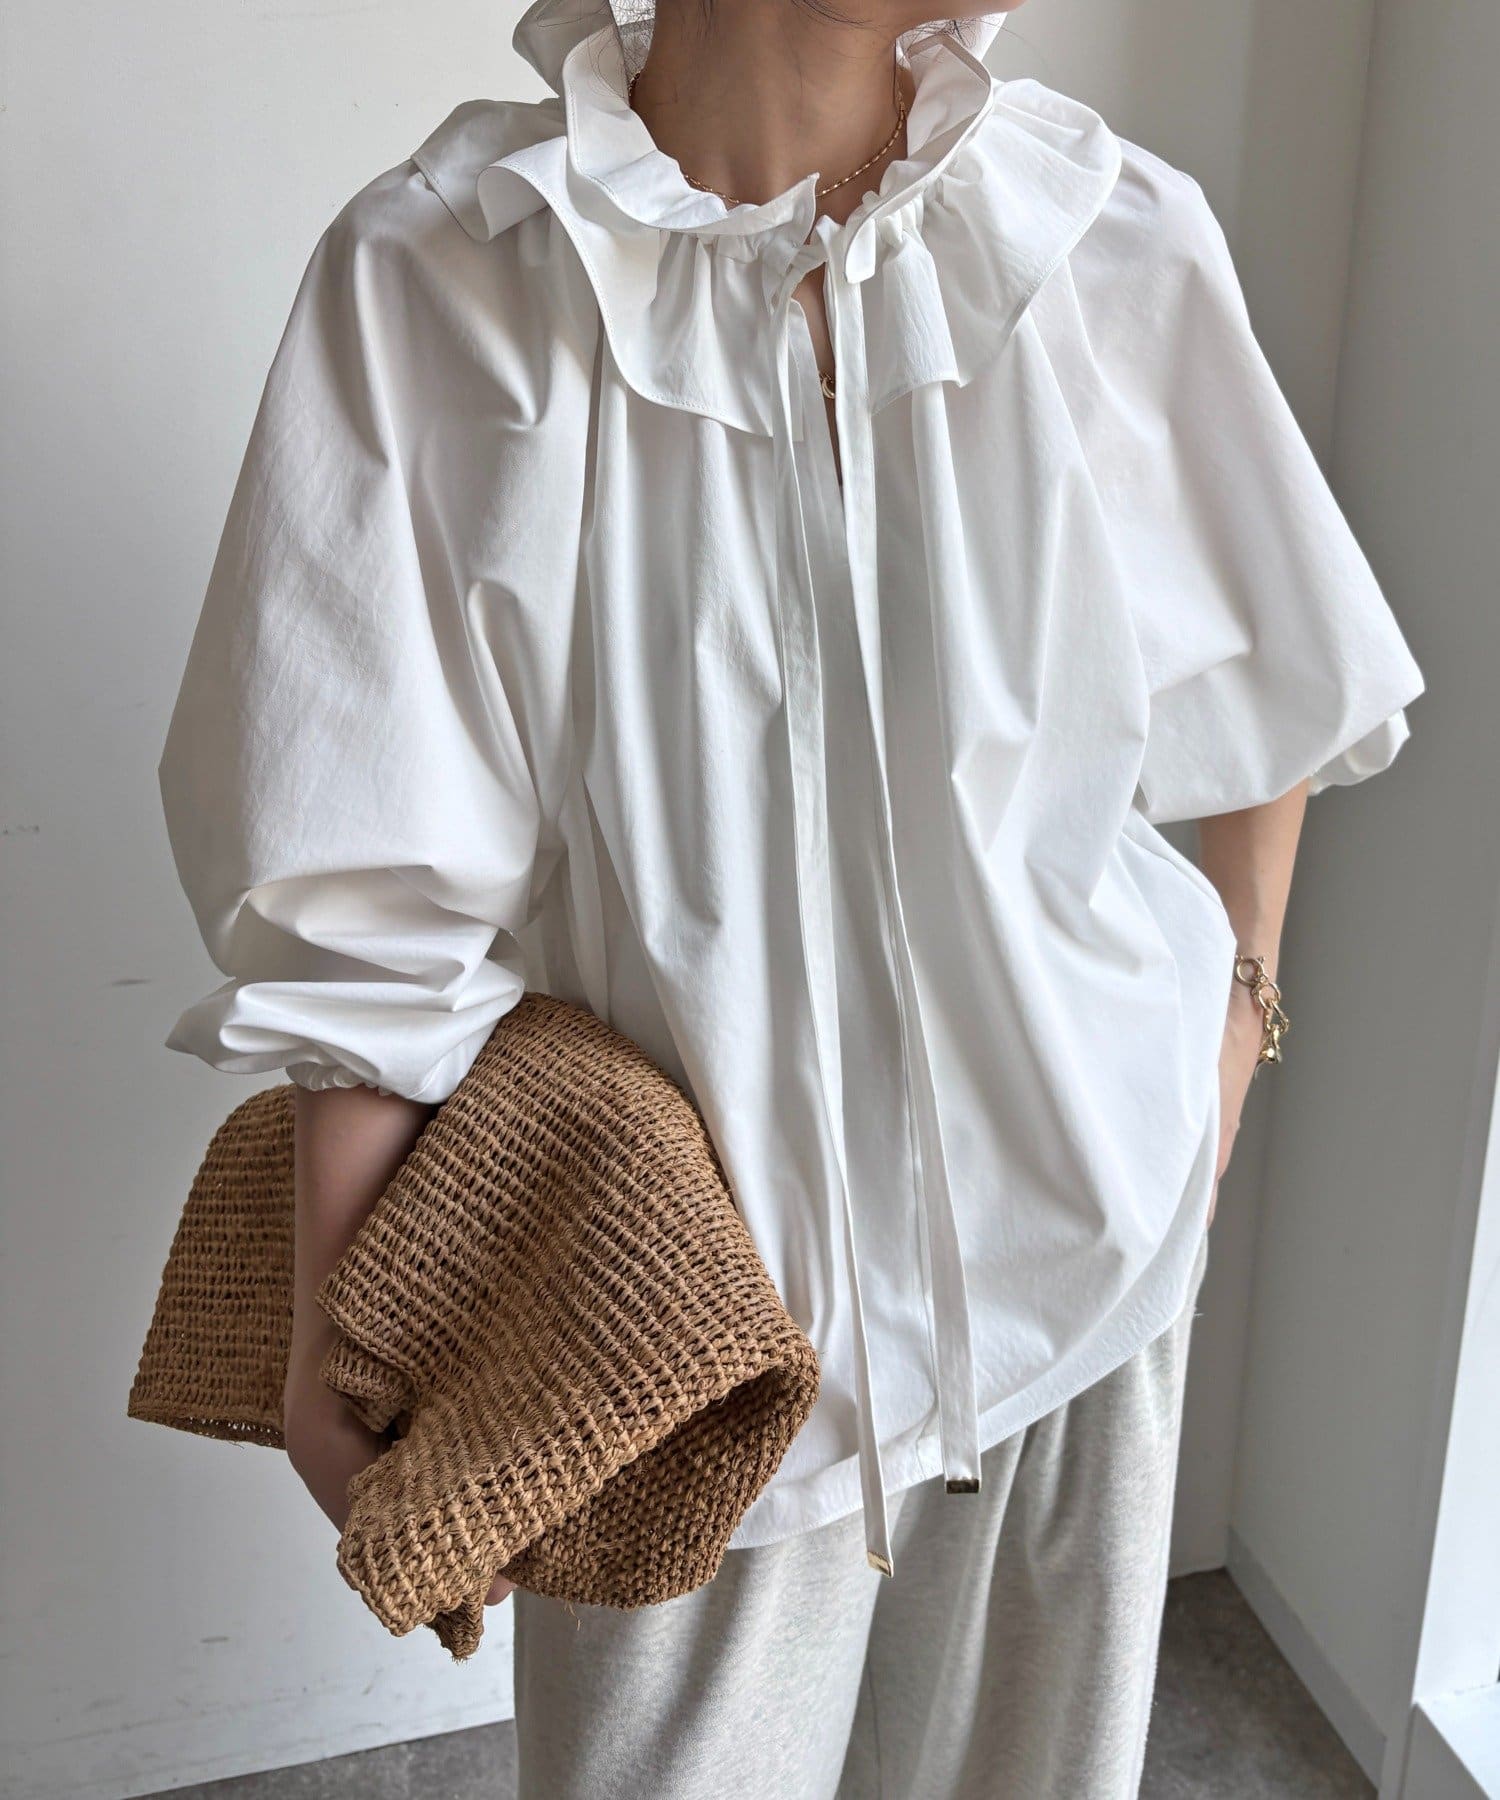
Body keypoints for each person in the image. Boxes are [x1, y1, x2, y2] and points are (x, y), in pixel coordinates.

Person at [155, 0, 1425, 1791]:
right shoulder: (448, 279)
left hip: (1092, 1250)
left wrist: (1230, 1034)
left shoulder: (1096, 229)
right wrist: (335, 1342)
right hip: (685, 1338)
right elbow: (366, 888)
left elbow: (1265, 670)